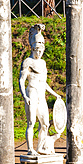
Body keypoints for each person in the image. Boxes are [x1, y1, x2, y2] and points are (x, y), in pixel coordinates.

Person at [19, 24, 61, 155]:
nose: (39, 52)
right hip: (32, 92)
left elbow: (44, 83)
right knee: (31, 122)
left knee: (45, 124)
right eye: (37, 49)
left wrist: (55, 95)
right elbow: (21, 80)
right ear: (32, 48)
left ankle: (40, 147)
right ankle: (30, 149)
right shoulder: (28, 61)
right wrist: (25, 97)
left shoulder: (43, 63)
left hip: (41, 95)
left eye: (41, 50)